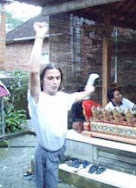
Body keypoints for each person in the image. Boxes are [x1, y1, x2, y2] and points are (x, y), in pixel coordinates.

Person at [27, 22, 95, 188]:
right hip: (46, 153)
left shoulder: (62, 97)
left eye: (57, 78)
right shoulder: (37, 98)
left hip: (60, 150)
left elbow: (77, 96)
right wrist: (40, 35)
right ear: (42, 80)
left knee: (53, 181)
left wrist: (88, 90)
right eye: (50, 78)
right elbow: (33, 71)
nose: (54, 81)